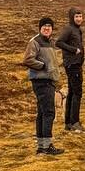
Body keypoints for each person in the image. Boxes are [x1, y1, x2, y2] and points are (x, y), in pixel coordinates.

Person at [23, 16, 63, 154]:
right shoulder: (35, 42)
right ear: (40, 28)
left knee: (42, 113)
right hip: (42, 82)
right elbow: (27, 60)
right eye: (44, 26)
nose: (47, 28)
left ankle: (42, 146)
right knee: (49, 113)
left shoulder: (50, 42)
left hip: (48, 81)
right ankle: (47, 146)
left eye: (49, 26)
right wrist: (43, 66)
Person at [59, 6, 85, 132]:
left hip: (76, 64)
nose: (79, 19)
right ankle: (75, 122)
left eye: (80, 16)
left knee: (72, 92)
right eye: (76, 16)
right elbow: (59, 42)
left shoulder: (77, 29)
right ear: (72, 17)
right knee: (77, 93)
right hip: (72, 65)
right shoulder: (69, 29)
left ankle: (68, 123)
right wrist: (73, 50)